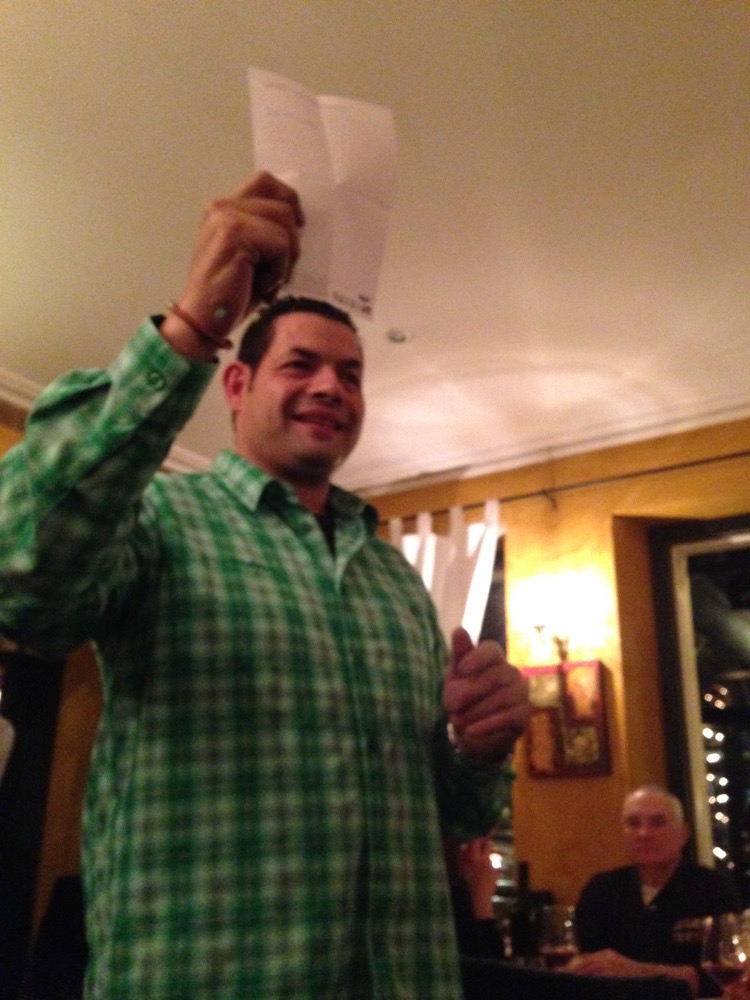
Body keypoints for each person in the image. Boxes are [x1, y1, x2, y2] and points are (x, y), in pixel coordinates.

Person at [0, 171, 530, 1000]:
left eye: (351, 374)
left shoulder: (396, 581)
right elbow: (21, 573)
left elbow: (451, 814)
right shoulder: (157, 520)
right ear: (238, 386)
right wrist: (192, 325)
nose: (331, 387)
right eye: (301, 365)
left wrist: (478, 747)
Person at [568, 784, 742, 997]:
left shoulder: (712, 888)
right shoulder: (601, 889)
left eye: (658, 823)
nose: (644, 834)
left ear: (683, 834)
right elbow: (582, 967)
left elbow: (727, 977)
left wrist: (637, 971)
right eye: (633, 823)